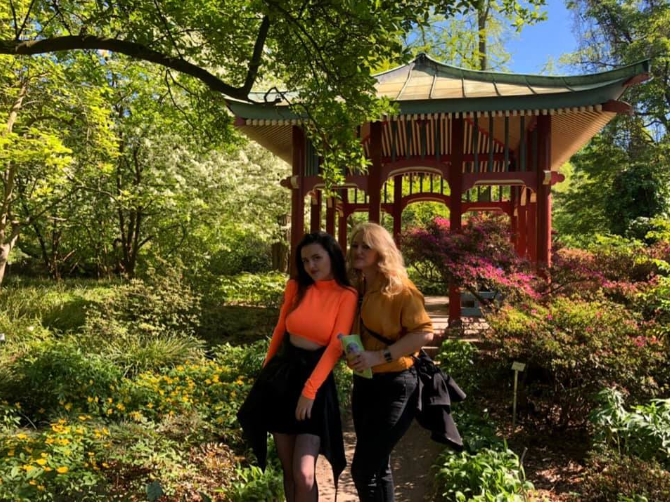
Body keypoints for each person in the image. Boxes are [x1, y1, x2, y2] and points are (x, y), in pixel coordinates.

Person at [237, 232, 357, 502]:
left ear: (332, 256)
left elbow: (336, 346)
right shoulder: (296, 287)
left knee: (303, 473)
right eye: (305, 261)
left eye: (317, 258)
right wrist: (265, 374)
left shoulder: (346, 295)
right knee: (289, 472)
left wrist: (310, 390)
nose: (310, 265)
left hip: (315, 380)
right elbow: (280, 329)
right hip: (282, 377)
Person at [346, 222, 434, 502]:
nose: (358, 251)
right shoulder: (357, 286)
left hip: (395, 385)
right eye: (354, 245)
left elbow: (424, 332)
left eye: (366, 246)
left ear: (382, 251)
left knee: (363, 470)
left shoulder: (401, 289)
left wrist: (380, 356)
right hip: (364, 383)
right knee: (377, 466)